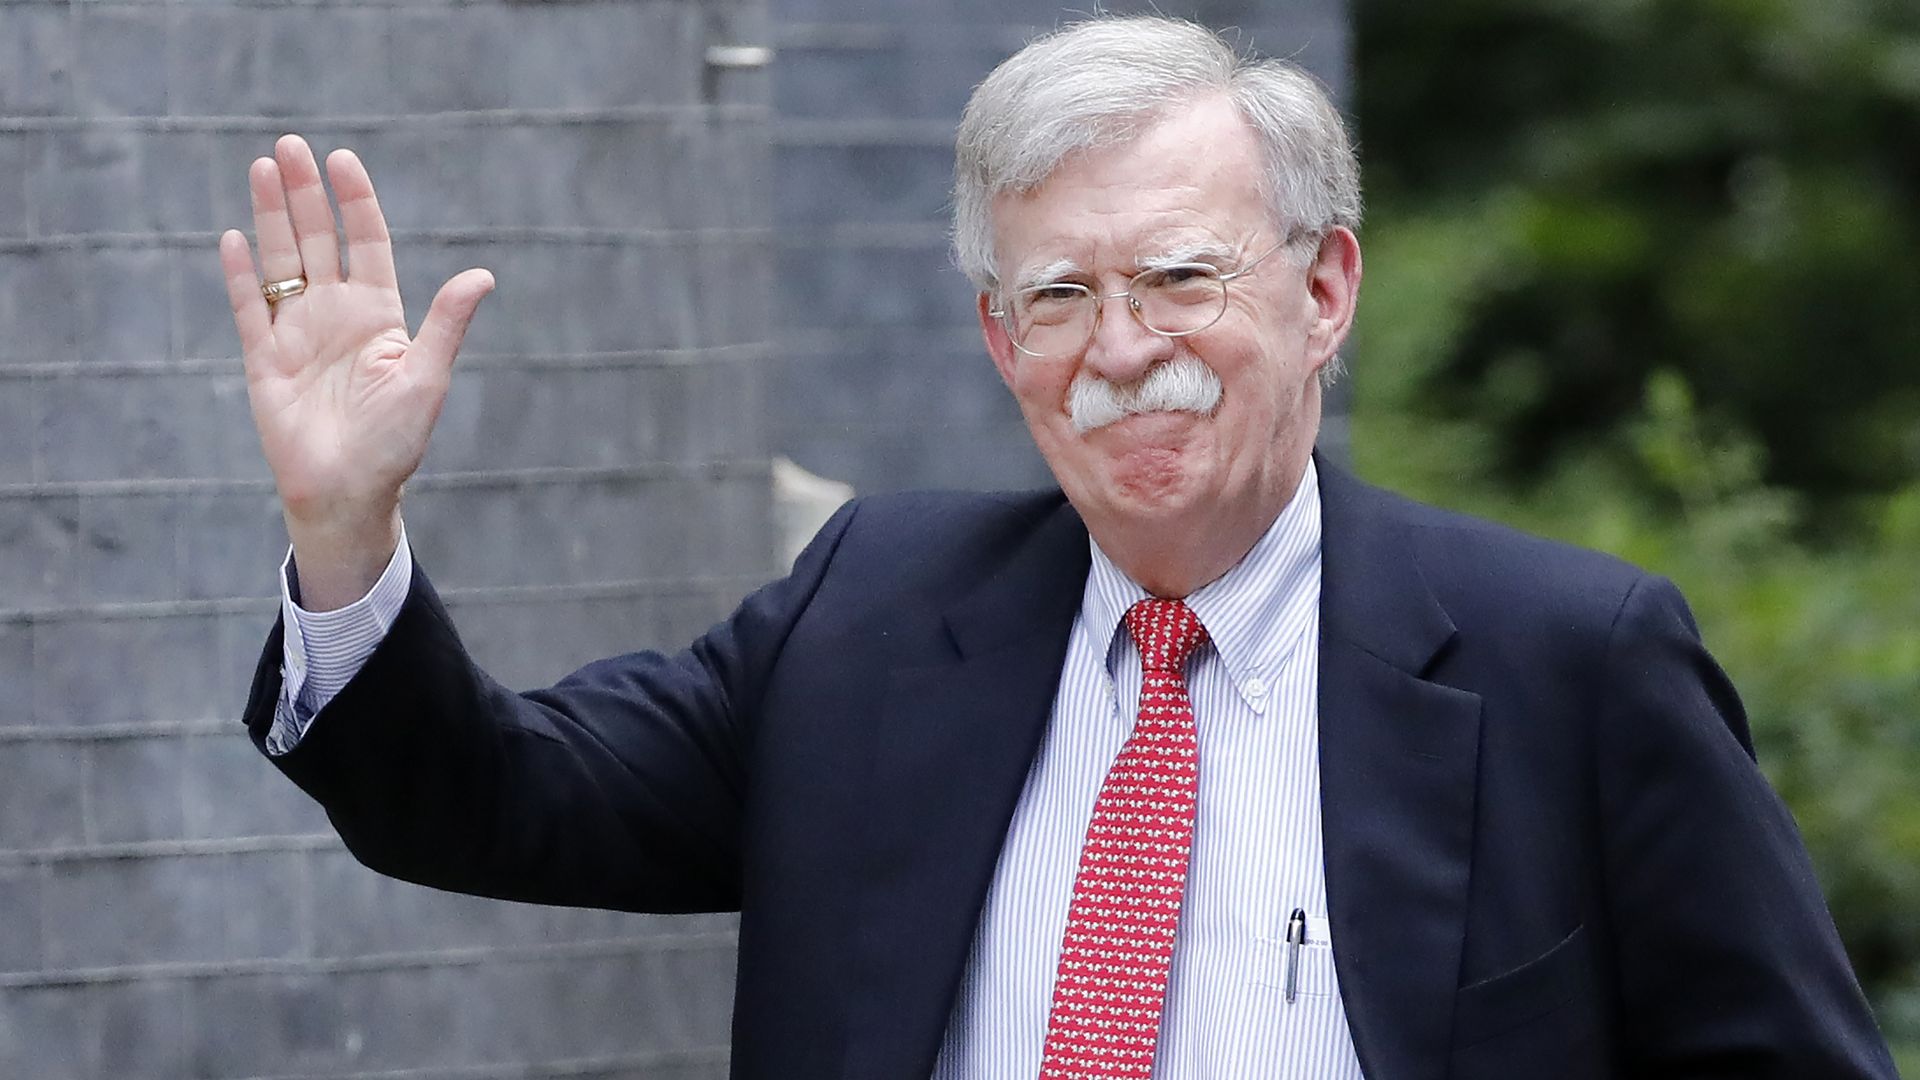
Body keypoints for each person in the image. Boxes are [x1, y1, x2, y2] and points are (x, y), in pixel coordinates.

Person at [219, 15, 1896, 1080]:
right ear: (993, 334)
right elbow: (495, 793)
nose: (1119, 348)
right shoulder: (875, 616)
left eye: (1180, 278)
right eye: (1059, 297)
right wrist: (343, 523)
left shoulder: (1567, 663)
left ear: (1325, 292)